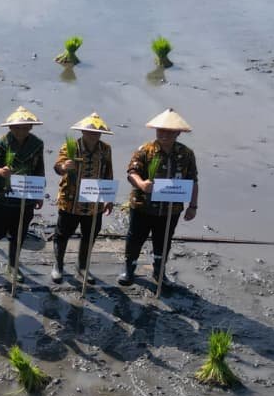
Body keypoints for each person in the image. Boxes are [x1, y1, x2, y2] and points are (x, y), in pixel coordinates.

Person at [119, 108, 198, 286]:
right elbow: (132, 173)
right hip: (143, 205)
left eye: (170, 131)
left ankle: (159, 272)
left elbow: (192, 181)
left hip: (171, 209)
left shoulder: (186, 154)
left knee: (163, 242)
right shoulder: (145, 150)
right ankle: (128, 269)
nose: (164, 134)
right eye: (161, 130)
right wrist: (141, 184)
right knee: (135, 238)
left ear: (178, 132)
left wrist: (193, 206)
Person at [0, 106, 45, 283]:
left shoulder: (37, 144)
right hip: (1, 196)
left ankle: (13, 265)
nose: (21, 131)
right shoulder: (0, 144)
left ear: (31, 127)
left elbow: (39, 169)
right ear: (10, 128)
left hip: (25, 197)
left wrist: (39, 193)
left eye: (25, 127)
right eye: (17, 128)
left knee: (19, 234)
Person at [51, 113, 115, 285]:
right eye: (89, 131)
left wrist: (109, 198)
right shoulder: (71, 147)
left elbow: (108, 173)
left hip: (94, 202)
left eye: (96, 132)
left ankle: (82, 266)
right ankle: (58, 265)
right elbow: (58, 166)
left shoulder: (105, 149)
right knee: (62, 234)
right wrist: (64, 167)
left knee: (91, 234)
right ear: (82, 131)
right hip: (71, 200)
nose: (93, 134)